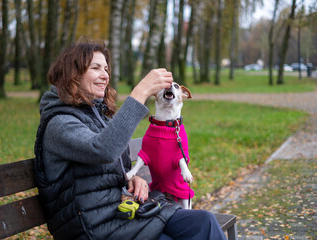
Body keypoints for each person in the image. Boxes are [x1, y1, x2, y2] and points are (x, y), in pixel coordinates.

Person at [34, 39, 227, 240]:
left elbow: (111, 166)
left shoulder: (98, 116)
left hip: (123, 212)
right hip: (94, 227)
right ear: (72, 73)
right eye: (96, 68)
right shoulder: (59, 123)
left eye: (106, 69)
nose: (105, 76)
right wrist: (141, 92)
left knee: (204, 221)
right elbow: (103, 150)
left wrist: (133, 179)